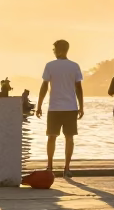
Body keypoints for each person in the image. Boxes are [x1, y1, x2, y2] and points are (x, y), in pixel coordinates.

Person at [36, 40, 84, 180]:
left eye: (54, 49)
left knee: (52, 137)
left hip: (55, 108)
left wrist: (39, 105)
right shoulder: (74, 66)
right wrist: (81, 106)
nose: (54, 52)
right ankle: (66, 168)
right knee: (69, 138)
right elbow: (78, 88)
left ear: (59, 50)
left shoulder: (50, 66)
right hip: (70, 108)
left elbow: (44, 86)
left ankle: (50, 167)